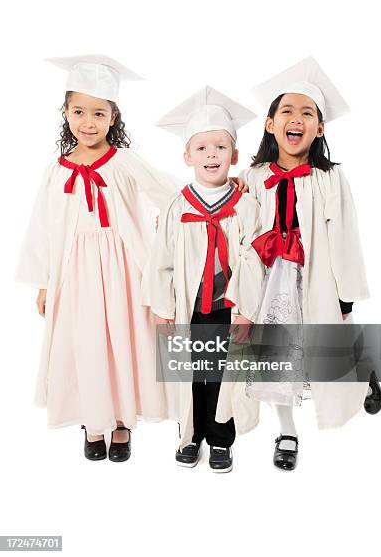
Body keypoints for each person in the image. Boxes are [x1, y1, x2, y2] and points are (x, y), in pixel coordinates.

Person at [16, 55, 178, 462]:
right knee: (85, 343)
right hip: (74, 272)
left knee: (121, 340)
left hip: (122, 269)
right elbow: (43, 226)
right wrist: (43, 281)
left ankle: (122, 421)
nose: (88, 122)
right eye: (79, 112)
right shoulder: (57, 170)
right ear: (66, 112)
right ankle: (94, 420)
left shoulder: (123, 162)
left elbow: (168, 192)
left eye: (98, 114)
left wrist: (204, 200)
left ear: (113, 116)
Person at [237, 56, 381, 470]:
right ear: (269, 124)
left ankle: (362, 371)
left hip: (317, 279)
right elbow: (235, 226)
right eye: (287, 111)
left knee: (329, 353)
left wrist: (346, 299)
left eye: (307, 113)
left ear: (319, 128)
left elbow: (346, 239)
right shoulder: (253, 176)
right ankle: (286, 431)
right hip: (269, 282)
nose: (296, 119)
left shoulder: (330, 178)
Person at [142, 86, 264, 472]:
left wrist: (246, 310)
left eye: (220, 147)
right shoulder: (178, 205)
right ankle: (190, 435)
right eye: (202, 148)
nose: (211, 154)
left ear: (235, 155)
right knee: (191, 374)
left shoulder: (246, 206)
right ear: (187, 156)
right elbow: (161, 260)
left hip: (227, 309)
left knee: (225, 376)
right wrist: (162, 308)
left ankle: (221, 438)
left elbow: (254, 260)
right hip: (188, 308)